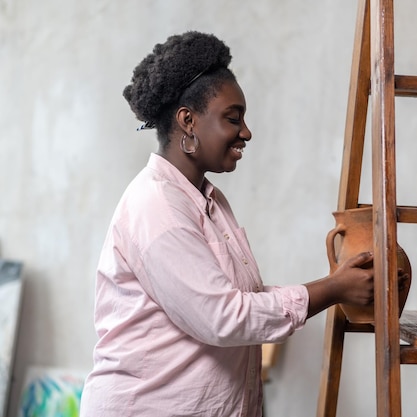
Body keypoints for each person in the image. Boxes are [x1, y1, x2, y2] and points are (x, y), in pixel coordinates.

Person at [79, 31, 378, 417]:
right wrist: (333, 288)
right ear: (188, 121)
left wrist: (335, 285)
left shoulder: (209, 200)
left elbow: (235, 297)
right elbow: (223, 318)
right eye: (232, 118)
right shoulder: (157, 206)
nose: (246, 132)